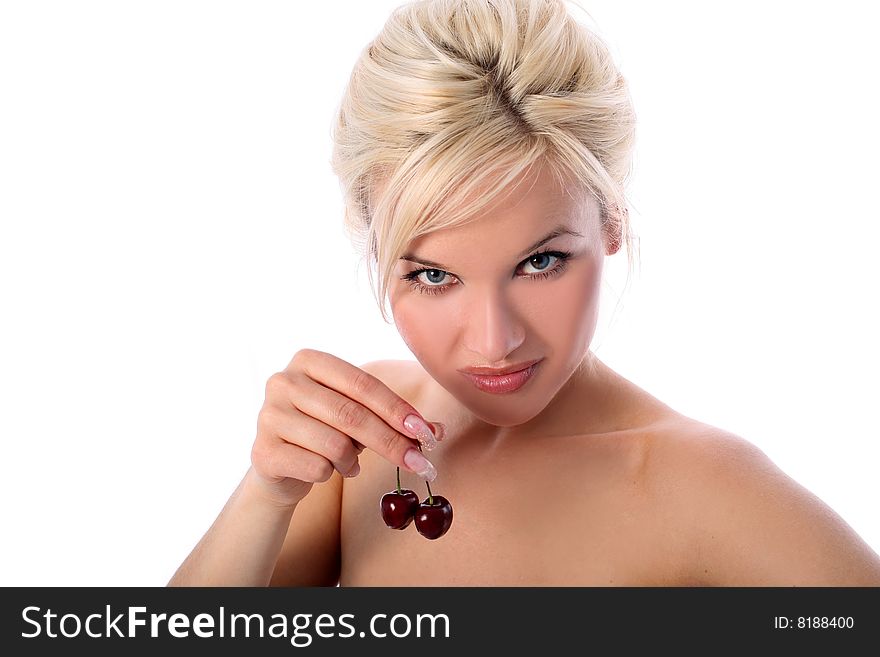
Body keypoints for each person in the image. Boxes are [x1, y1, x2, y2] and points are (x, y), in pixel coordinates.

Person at [168, 0, 880, 586]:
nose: (494, 340)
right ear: (373, 244)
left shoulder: (703, 487)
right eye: (434, 276)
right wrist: (266, 492)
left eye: (540, 262)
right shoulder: (354, 454)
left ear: (610, 224)